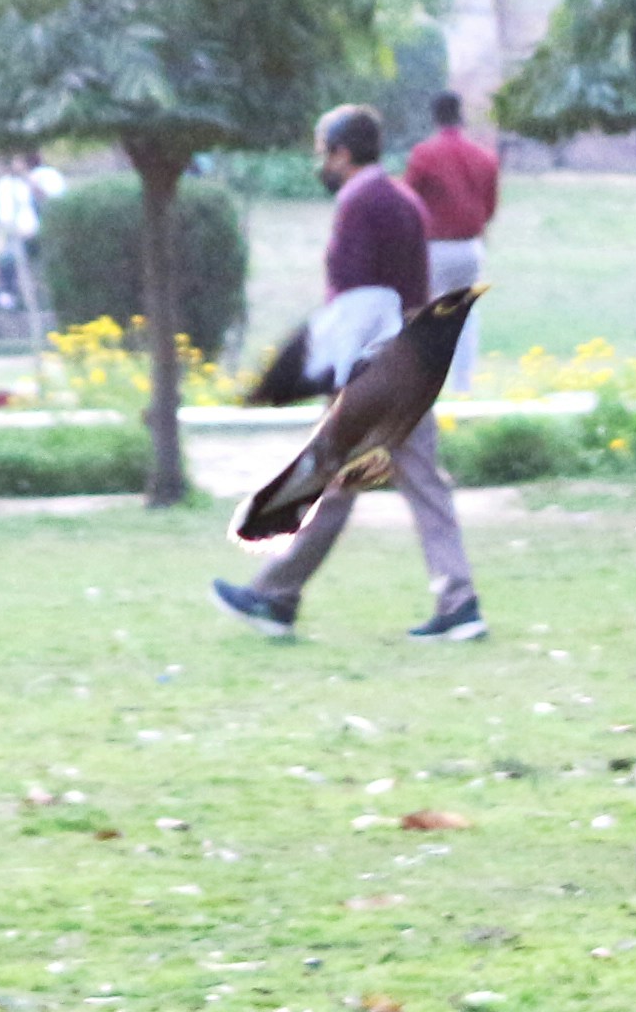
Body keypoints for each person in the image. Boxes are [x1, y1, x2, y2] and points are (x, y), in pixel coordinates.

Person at [214, 103, 477, 644]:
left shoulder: (361, 204)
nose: (321, 164)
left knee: (333, 477)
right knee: (377, 484)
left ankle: (275, 597)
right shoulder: (403, 199)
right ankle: (457, 602)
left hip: (375, 368)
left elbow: (360, 299)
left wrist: (343, 377)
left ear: (341, 152)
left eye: (323, 152)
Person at [402, 90, 500, 393]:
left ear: (434, 117)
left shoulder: (424, 155)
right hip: (470, 247)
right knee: (465, 316)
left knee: (430, 315)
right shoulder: (483, 156)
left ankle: (427, 384)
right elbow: (490, 206)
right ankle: (463, 386)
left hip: (434, 247)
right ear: (461, 115)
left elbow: (409, 200)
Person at [0, 157, 46, 327]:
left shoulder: (34, 179)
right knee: (10, 259)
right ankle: (7, 294)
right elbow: (4, 211)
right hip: (17, 231)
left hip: (34, 230)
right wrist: (13, 229)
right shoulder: (7, 184)